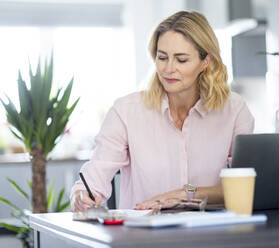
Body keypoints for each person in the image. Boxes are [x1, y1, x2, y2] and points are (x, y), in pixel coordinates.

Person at [70, 10, 254, 212]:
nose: (168, 68)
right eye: (162, 57)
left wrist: (182, 194)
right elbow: (95, 175)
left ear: (205, 61)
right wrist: (81, 195)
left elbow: (246, 188)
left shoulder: (234, 110)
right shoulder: (126, 112)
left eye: (181, 59)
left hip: (210, 234)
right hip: (144, 236)